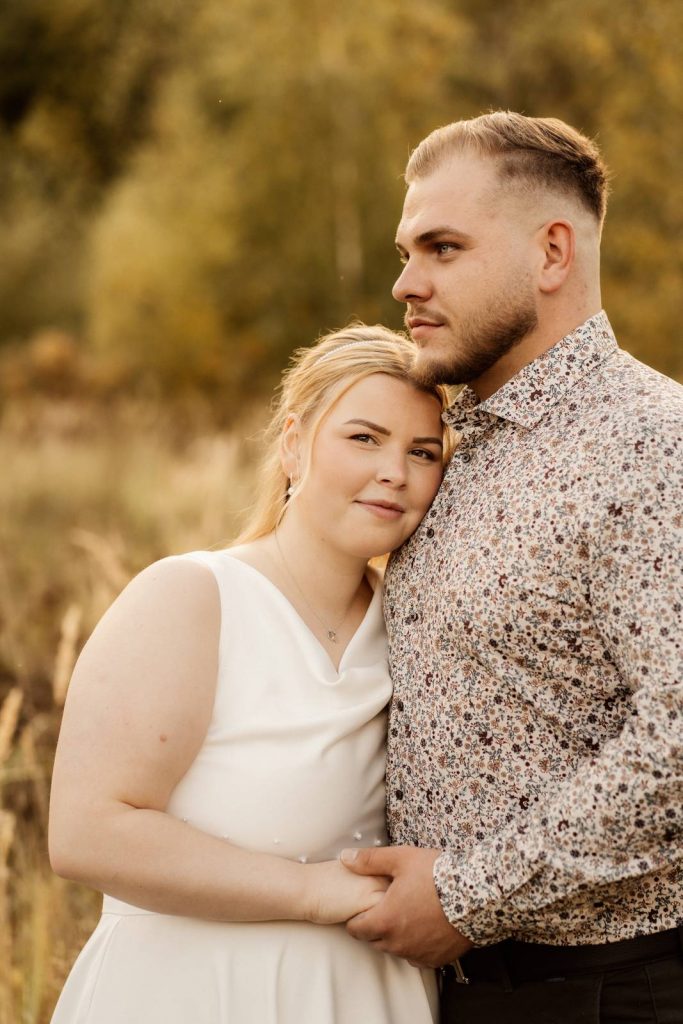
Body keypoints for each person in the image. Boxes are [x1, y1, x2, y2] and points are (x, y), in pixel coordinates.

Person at [341, 112, 683, 1023]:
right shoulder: (439, 444)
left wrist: (466, 895)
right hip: (434, 987)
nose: (403, 282)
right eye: (406, 250)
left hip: (602, 992)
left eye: (441, 248)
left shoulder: (652, 447)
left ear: (552, 253)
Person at [48, 323, 452, 1024]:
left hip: (363, 998)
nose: (395, 471)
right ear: (293, 444)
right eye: (363, 438)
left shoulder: (419, 627)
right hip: (193, 992)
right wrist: (313, 892)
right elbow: (86, 832)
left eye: (422, 452)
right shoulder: (191, 596)